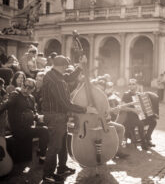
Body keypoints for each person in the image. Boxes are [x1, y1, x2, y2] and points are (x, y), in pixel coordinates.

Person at [41, 55, 97, 183]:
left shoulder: (52, 74)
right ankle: (47, 174)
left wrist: (80, 67)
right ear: (62, 66)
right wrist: (86, 109)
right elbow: (66, 104)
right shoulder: (57, 82)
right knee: (55, 146)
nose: (67, 69)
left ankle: (62, 168)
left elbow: (68, 77)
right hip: (56, 117)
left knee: (62, 145)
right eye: (66, 67)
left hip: (56, 115)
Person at [0, 78, 49, 164]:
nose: (26, 89)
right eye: (24, 86)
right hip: (18, 130)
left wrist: (38, 117)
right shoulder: (15, 95)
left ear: (33, 89)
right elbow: (4, 106)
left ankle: (41, 153)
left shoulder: (31, 98)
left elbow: (34, 112)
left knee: (45, 129)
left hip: (28, 128)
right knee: (44, 130)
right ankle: (41, 155)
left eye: (29, 88)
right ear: (22, 85)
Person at [119, 79, 157, 150]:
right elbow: (122, 107)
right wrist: (133, 110)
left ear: (136, 85)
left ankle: (147, 138)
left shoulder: (139, 94)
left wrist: (150, 113)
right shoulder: (126, 94)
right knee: (141, 124)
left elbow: (145, 106)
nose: (131, 86)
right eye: (130, 84)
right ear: (128, 86)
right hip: (130, 117)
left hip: (140, 116)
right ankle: (143, 143)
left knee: (153, 121)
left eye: (133, 84)